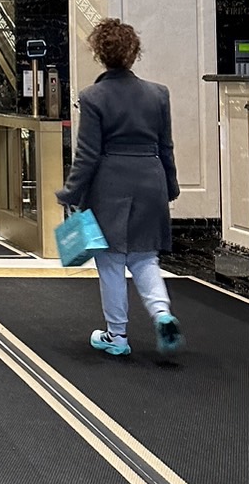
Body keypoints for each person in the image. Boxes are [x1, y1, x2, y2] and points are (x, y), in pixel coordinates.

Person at [56, 18, 184, 359]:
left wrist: (70, 193)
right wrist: (171, 185)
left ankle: (117, 336)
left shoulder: (93, 97)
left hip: (110, 184)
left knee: (111, 262)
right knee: (145, 257)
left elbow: (87, 155)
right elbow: (166, 146)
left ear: (99, 53)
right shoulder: (158, 94)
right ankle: (162, 314)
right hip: (151, 180)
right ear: (134, 53)